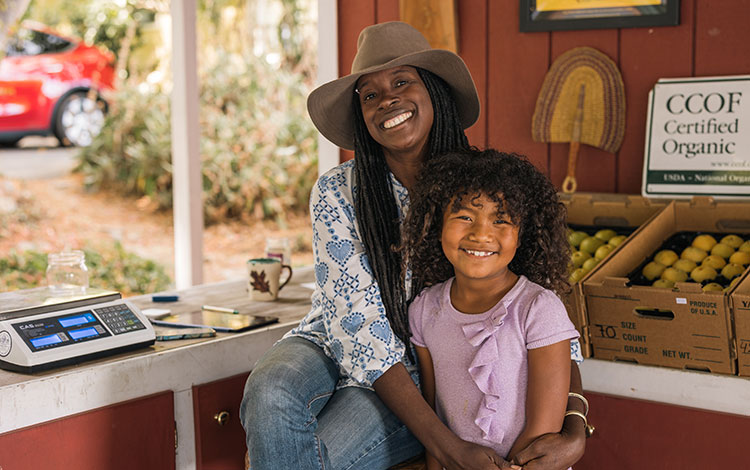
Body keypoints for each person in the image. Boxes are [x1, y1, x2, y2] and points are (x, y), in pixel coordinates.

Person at [240, 21, 588, 470]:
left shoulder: (481, 189)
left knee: (315, 458)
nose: (387, 100)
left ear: (435, 93)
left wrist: (576, 425)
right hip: (330, 341)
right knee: (269, 389)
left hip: (421, 370)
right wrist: (445, 449)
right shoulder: (337, 192)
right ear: (361, 114)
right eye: (369, 94)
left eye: (402, 81)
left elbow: (541, 313)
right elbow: (356, 327)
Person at [402, 149, 580, 469]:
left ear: (522, 234)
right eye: (465, 217)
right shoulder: (424, 310)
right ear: (437, 224)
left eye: (501, 220)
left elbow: (542, 434)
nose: (481, 234)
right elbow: (434, 420)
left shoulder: (540, 309)